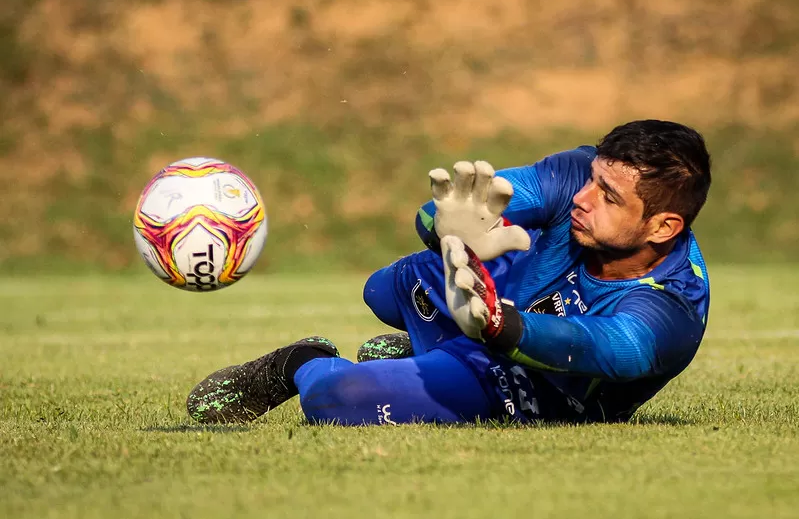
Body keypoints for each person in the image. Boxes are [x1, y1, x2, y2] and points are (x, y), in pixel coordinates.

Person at [186, 119, 711, 425]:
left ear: (663, 226)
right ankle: (423, 349)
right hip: (487, 300)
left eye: (608, 196)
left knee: (333, 400)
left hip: (532, 379)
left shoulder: (672, 310)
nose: (582, 196)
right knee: (383, 290)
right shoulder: (575, 172)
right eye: (593, 179)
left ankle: (298, 361)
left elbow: (595, 344)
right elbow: (450, 205)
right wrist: (447, 229)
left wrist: (498, 325)